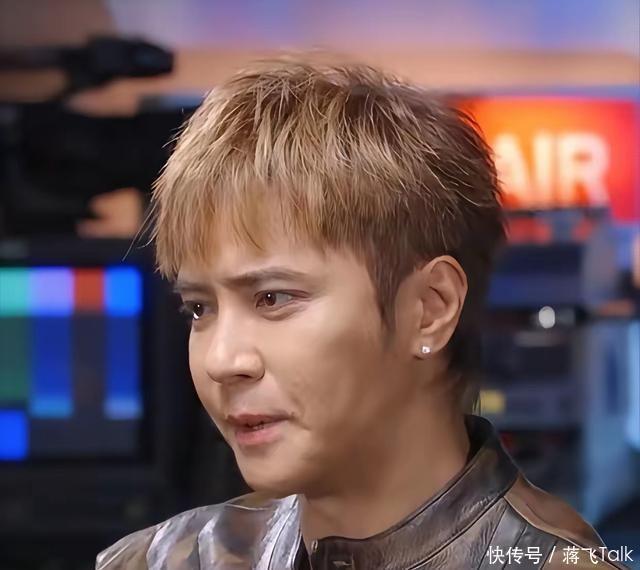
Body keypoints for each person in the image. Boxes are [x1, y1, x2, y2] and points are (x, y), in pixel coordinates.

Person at [96, 58, 629, 569]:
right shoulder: (158, 560)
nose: (221, 360)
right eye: (199, 308)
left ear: (430, 308)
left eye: (273, 298)